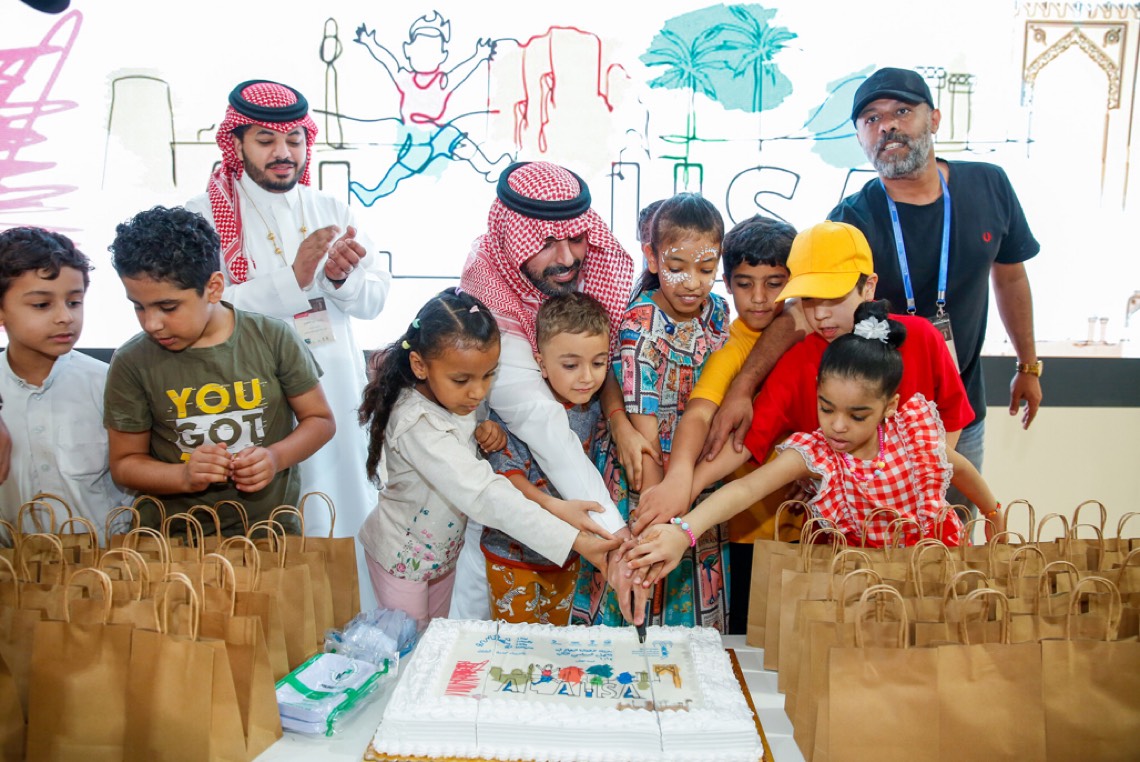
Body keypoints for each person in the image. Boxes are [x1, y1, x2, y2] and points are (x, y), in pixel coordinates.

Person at [185, 80, 390, 584]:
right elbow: (197, 308)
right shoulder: (202, 214)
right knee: (277, 523)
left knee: (344, 507)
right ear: (236, 144)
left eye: (294, 140)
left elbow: (375, 299)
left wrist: (339, 279)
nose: (284, 153)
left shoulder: (331, 209)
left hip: (334, 391)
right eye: (266, 141)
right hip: (254, 395)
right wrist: (292, 280)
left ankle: (350, 614)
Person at [628, 300, 1003, 575]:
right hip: (864, 573)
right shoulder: (817, 452)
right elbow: (744, 490)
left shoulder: (912, 435)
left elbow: (962, 470)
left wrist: (992, 512)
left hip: (935, 564)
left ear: (889, 407)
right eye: (826, 408)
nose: (837, 425)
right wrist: (684, 533)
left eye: (857, 415)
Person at [829, 66, 1042, 517]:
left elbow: (1010, 277)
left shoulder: (989, 185)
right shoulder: (849, 220)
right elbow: (818, 314)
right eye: (871, 118)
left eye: (902, 112)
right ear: (860, 137)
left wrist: (1028, 365)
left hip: (962, 408)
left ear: (935, 119)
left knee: (956, 537)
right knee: (882, 543)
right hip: (879, 421)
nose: (887, 126)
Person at [681, 222, 976, 536]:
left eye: (832, 297)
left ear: (869, 286)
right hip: (843, 541)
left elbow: (952, 415)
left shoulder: (922, 338)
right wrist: (687, 485)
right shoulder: (799, 361)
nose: (820, 314)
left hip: (924, 532)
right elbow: (746, 441)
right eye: (808, 299)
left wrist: (920, 480)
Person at [453, 160, 646, 621]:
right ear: (514, 238)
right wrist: (615, 536)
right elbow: (542, 426)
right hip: (497, 523)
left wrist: (618, 420)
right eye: (544, 243)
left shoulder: (572, 276)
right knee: (482, 639)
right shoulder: (489, 292)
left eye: (576, 237)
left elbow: (605, 360)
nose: (567, 257)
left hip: (565, 534)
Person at [356, 288, 616, 628]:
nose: (478, 392)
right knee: (408, 647)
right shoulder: (415, 422)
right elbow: (481, 492)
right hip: (400, 561)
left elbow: (466, 437)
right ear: (420, 366)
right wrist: (576, 540)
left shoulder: (456, 398)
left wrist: (484, 428)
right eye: (462, 379)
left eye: (489, 375)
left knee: (436, 638)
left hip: (440, 558)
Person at [103, 206, 336, 533]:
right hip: (172, 541)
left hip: (269, 534)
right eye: (138, 307)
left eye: (168, 307)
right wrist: (183, 476)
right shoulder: (132, 361)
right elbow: (125, 464)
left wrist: (275, 458)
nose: (151, 323)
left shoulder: (272, 338)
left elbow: (320, 421)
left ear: (213, 287)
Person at [573, 192, 731, 630]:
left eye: (706, 269)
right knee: (640, 573)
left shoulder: (719, 312)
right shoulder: (639, 326)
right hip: (647, 479)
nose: (693, 283)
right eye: (677, 267)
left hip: (698, 472)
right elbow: (643, 438)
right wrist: (663, 511)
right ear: (653, 257)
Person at [634, 214, 796, 634]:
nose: (759, 298)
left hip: (809, 525)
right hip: (742, 524)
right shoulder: (731, 345)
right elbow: (699, 412)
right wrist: (679, 479)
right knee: (748, 638)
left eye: (774, 283)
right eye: (744, 283)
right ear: (727, 283)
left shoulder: (813, 328)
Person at [481, 292, 612, 625]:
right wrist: (556, 508)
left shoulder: (593, 407)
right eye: (570, 366)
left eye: (598, 363)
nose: (587, 377)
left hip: (568, 556)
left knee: (556, 641)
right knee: (516, 645)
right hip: (513, 555)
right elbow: (506, 478)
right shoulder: (519, 408)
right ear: (541, 364)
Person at [0, 227, 129, 542]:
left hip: (107, 558)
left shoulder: (109, 383)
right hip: (14, 562)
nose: (65, 317)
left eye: (74, 302)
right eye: (41, 305)